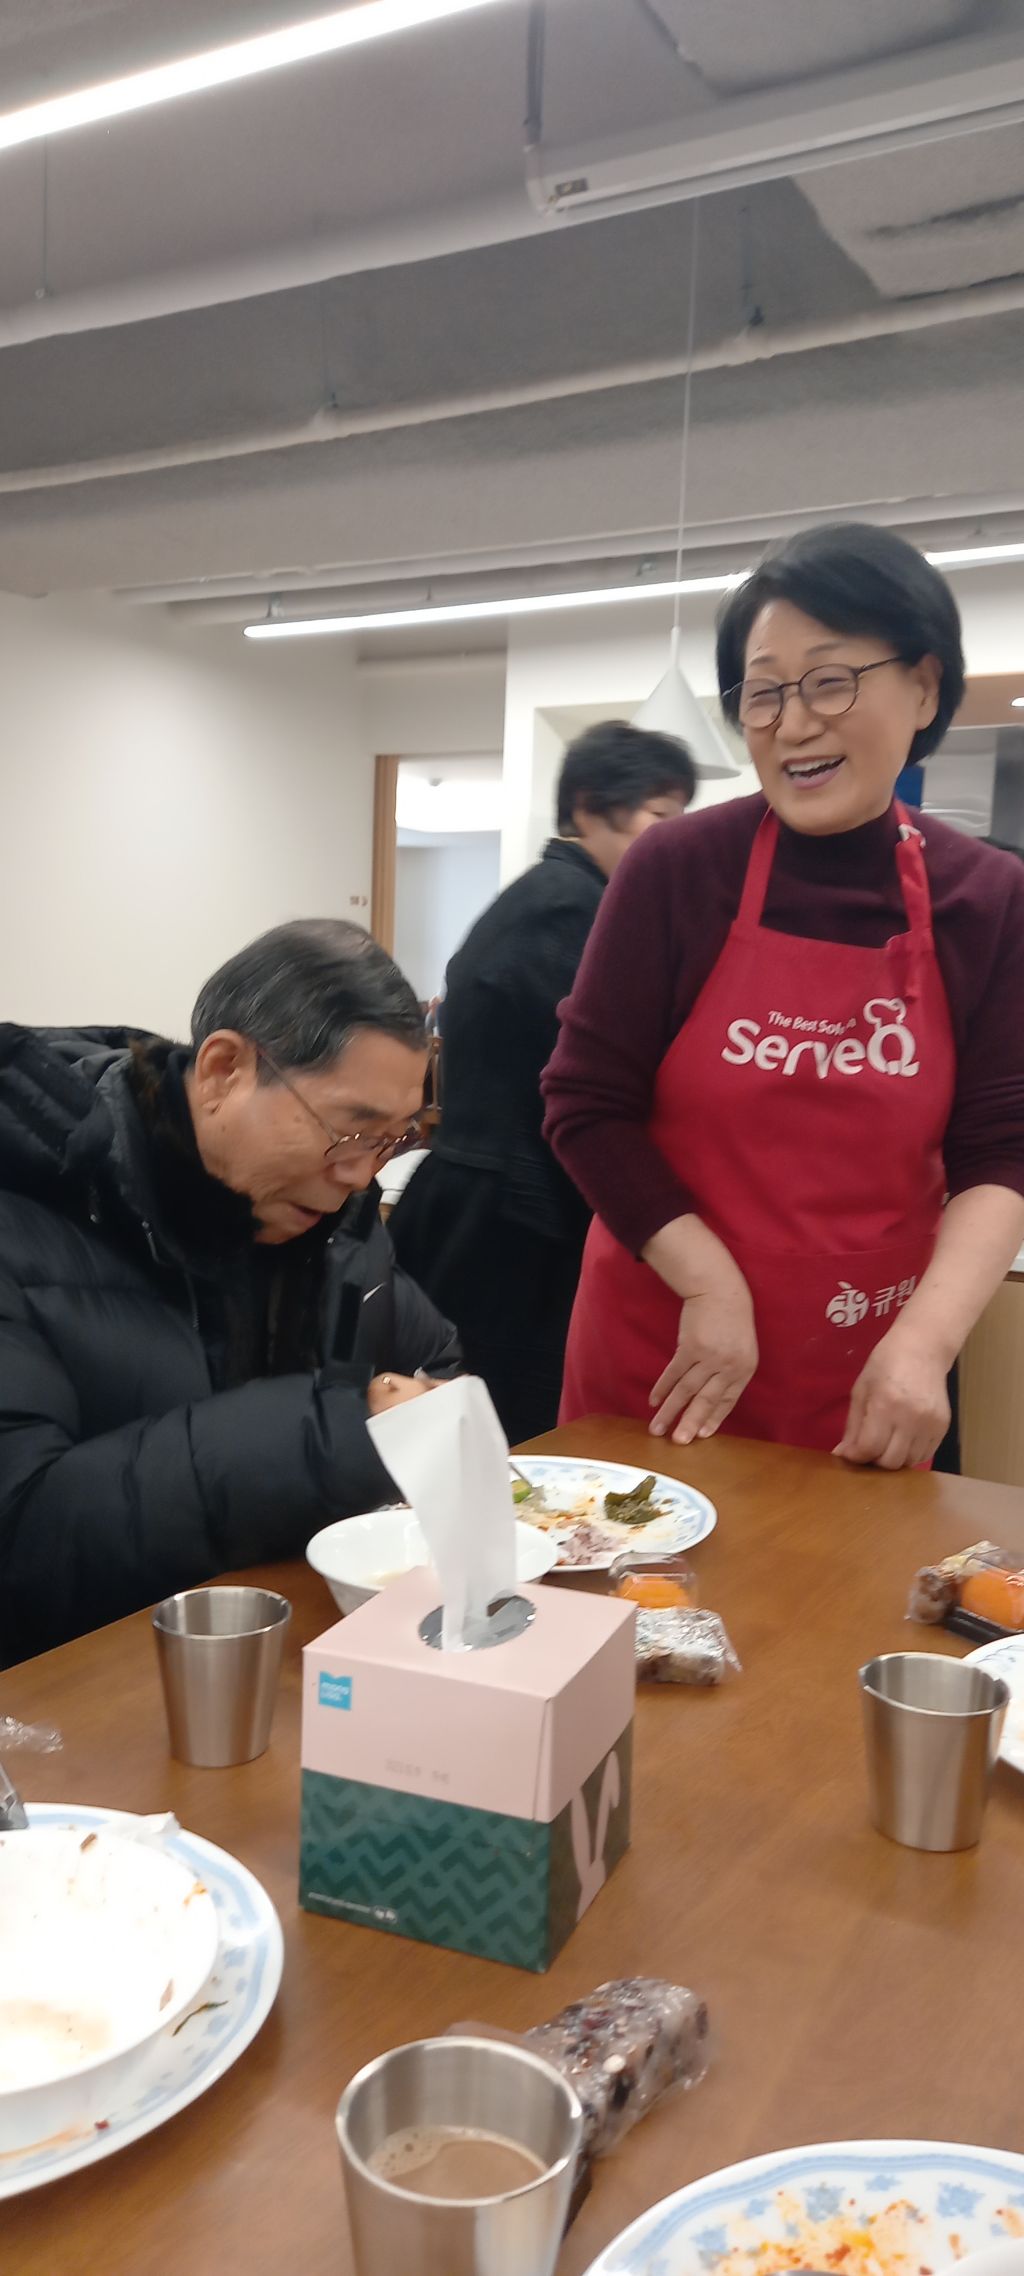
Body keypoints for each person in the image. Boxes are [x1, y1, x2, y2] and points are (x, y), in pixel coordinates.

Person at [544, 524, 1024, 1470]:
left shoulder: (989, 898)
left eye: (830, 680)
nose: (793, 724)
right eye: (763, 692)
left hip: (866, 1366)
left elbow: (1000, 1153)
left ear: (925, 686)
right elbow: (585, 1106)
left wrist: (927, 1345)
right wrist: (708, 1284)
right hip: (670, 1358)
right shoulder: (677, 869)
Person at [0, 921, 459, 1663]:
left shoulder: (332, 1224)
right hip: (77, 1691)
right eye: (352, 1129)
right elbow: (22, 1544)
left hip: (287, 1657)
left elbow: (432, 1359)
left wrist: (418, 1412)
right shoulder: (27, 1210)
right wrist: (328, 1436)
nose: (359, 1174)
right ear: (223, 1071)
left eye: (393, 1139)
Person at [389, 722, 697, 1442]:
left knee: (484, 1417)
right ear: (589, 807)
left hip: (491, 1203)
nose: (673, 840)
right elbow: (601, 1075)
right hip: (507, 1219)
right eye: (659, 816)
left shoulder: (551, 897)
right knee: (507, 1427)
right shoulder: (568, 909)